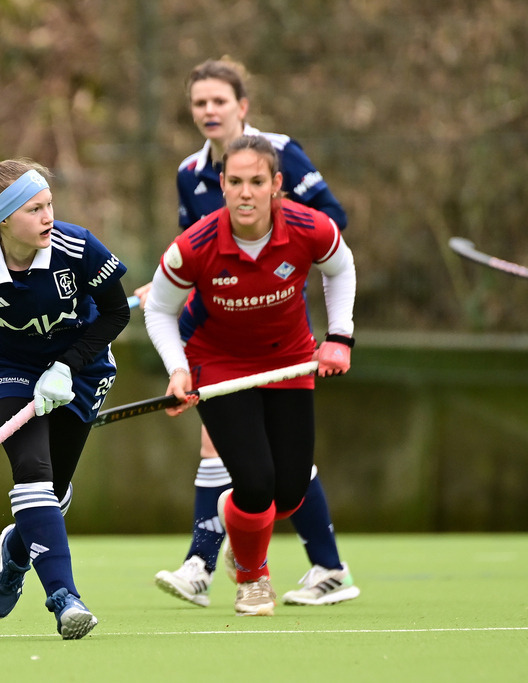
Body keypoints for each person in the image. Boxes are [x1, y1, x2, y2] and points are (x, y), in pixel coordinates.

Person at [138, 57, 359, 608]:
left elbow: (336, 244)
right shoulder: (191, 178)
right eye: (199, 102)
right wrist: (178, 364)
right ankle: (229, 568)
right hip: (215, 341)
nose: (243, 193)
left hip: (284, 342)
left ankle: (303, 560)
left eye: (219, 100)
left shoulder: (289, 170)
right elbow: (183, 265)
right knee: (247, 471)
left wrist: (341, 334)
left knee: (286, 484)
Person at [0, 158, 130, 639]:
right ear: (2, 220)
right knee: (34, 475)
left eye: (49, 205)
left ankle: (15, 554)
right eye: (34, 209)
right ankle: (64, 599)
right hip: (9, 370)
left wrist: (68, 365)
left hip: (80, 368)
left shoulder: (78, 246)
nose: (48, 218)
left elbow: (116, 313)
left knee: (54, 492)